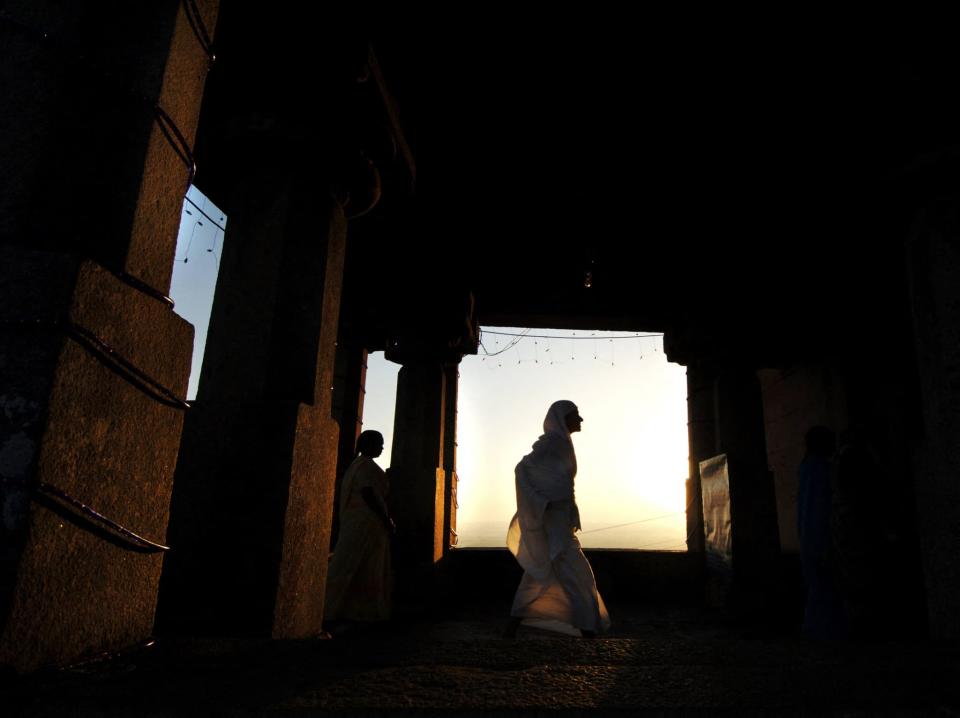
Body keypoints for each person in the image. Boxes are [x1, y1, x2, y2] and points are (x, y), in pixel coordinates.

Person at [504, 400, 611, 638]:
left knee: (539, 575)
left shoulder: (562, 443)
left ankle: (512, 629)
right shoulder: (553, 444)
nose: (581, 420)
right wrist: (543, 500)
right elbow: (521, 469)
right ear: (564, 419)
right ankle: (589, 631)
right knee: (576, 574)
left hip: (560, 523)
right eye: (576, 415)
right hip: (553, 523)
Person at [324, 430, 395, 630]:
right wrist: (386, 519)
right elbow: (368, 494)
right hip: (364, 523)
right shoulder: (365, 467)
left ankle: (350, 612)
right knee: (349, 565)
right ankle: (330, 611)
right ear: (368, 445)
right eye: (379, 443)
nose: (382, 447)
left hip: (361, 523)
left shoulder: (357, 466)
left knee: (359, 566)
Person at [796, 425, 845, 639]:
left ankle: (816, 630)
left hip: (808, 538)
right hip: (823, 537)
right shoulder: (825, 468)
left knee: (817, 588)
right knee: (826, 589)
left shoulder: (805, 468)